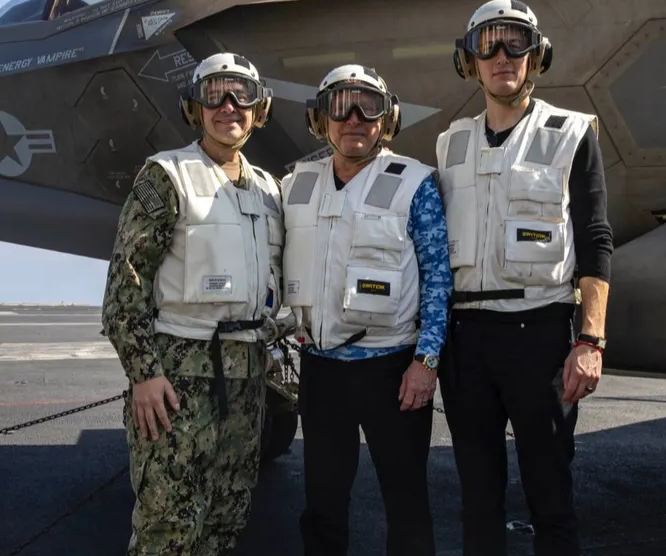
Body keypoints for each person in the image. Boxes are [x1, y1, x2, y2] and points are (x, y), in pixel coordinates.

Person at [435, 0, 614, 556]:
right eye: (488, 44)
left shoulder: (570, 132)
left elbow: (595, 240)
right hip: (467, 340)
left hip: (539, 335)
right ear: (470, 60)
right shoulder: (450, 143)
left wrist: (590, 341)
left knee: (550, 496)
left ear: (536, 57)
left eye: (516, 43)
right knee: (478, 501)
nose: (502, 56)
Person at [101, 52, 284, 556]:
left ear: (259, 109)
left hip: (247, 382)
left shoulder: (268, 190)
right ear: (194, 107)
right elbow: (125, 287)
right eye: (215, 95)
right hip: (177, 381)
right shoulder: (167, 176)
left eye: (242, 95)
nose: (229, 106)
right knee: (169, 526)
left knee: (227, 518)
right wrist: (144, 375)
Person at [283, 64, 452, 556]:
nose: (354, 118)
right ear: (321, 119)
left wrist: (426, 362)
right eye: (341, 106)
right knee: (322, 506)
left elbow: (439, 278)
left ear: (387, 119)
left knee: (406, 504)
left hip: (392, 371)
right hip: (321, 372)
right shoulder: (294, 186)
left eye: (368, 107)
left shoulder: (414, 183)